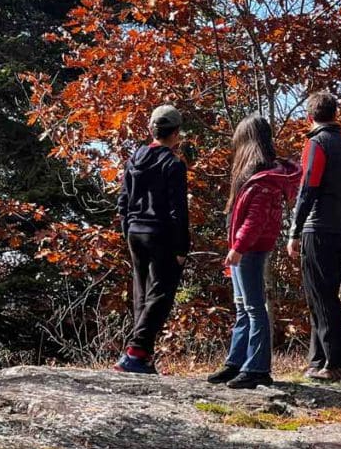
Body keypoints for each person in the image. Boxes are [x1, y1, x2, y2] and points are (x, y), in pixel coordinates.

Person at [207, 115, 300, 389]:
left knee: (254, 307)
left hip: (249, 250)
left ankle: (258, 368)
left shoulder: (264, 178)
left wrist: (238, 248)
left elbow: (255, 220)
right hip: (244, 250)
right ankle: (236, 362)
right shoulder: (257, 176)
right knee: (241, 308)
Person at [287, 92, 341, 382]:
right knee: (321, 293)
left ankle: (337, 363)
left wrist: (294, 230)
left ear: (310, 117)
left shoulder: (316, 144)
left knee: (321, 295)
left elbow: (308, 188)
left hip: (318, 228)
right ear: (335, 113)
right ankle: (317, 360)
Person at [113, 104, 190, 374]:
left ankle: (143, 356)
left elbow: (123, 200)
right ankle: (135, 352)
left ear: (151, 129)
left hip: (135, 231)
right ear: (176, 133)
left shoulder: (136, 158)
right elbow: (178, 209)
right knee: (161, 295)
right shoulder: (173, 164)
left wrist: (127, 229)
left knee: (141, 294)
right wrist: (182, 247)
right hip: (161, 234)